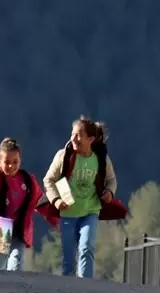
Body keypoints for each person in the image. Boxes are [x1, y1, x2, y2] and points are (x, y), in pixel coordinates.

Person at [39, 116, 126, 278]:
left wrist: (109, 192)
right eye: (72, 134)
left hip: (90, 210)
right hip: (68, 212)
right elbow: (48, 180)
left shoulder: (100, 159)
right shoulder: (63, 156)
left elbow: (111, 179)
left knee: (86, 247)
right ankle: (68, 286)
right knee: (69, 256)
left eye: (79, 135)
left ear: (90, 139)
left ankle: (85, 286)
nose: (73, 138)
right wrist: (56, 200)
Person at [0, 138, 42, 272]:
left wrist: (55, 213)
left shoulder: (27, 180)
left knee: (16, 264)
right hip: (1, 228)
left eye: (15, 162)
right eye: (7, 162)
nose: (11, 166)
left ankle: (14, 286)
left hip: (19, 229)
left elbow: (39, 200)